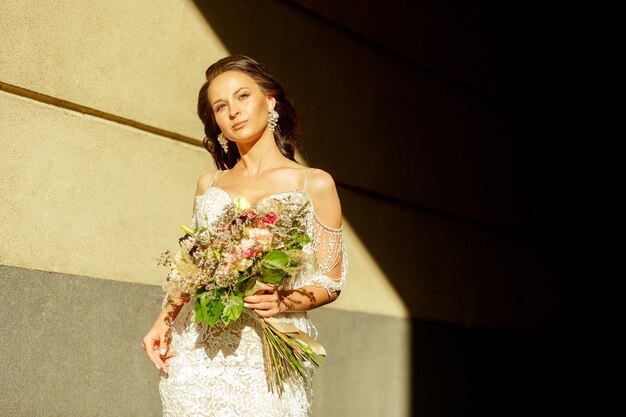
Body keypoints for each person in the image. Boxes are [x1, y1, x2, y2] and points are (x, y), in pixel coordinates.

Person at [141, 55, 347, 417]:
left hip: (263, 359)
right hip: (198, 352)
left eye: (242, 97)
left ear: (271, 101)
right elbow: (193, 266)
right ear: (216, 123)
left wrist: (284, 301)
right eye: (221, 106)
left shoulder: (313, 183)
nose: (233, 111)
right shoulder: (210, 184)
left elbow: (331, 281)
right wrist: (164, 319)